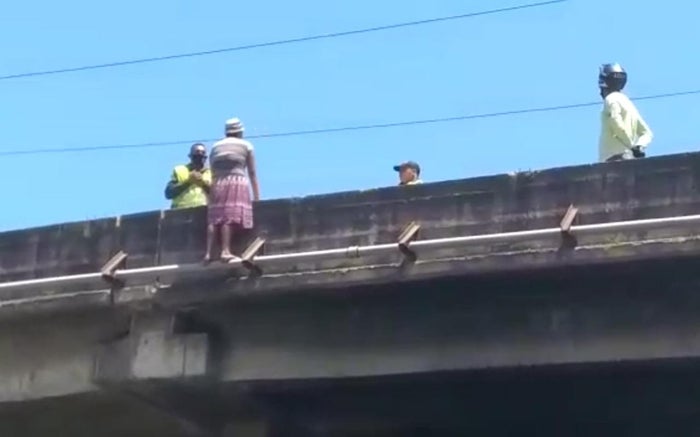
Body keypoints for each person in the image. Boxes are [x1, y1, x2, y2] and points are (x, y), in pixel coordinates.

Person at [205, 118, 260, 263]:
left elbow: (212, 170)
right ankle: (225, 251)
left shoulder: (215, 147)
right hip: (236, 182)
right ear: (240, 132)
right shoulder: (246, 145)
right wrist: (257, 196)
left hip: (217, 183)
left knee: (214, 217)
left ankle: (209, 253)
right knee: (228, 216)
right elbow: (252, 172)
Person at [598, 63, 653, 163]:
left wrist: (631, 146)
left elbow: (616, 123)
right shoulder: (628, 103)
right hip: (628, 159)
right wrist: (639, 147)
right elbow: (647, 133)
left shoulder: (610, 99)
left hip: (612, 160)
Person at [164, 143, 212, 209]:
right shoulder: (180, 170)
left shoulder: (212, 173)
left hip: (204, 212)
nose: (200, 155)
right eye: (197, 153)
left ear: (206, 157)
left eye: (203, 153)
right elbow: (169, 193)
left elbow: (218, 195)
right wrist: (188, 182)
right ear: (190, 156)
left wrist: (203, 184)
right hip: (181, 211)